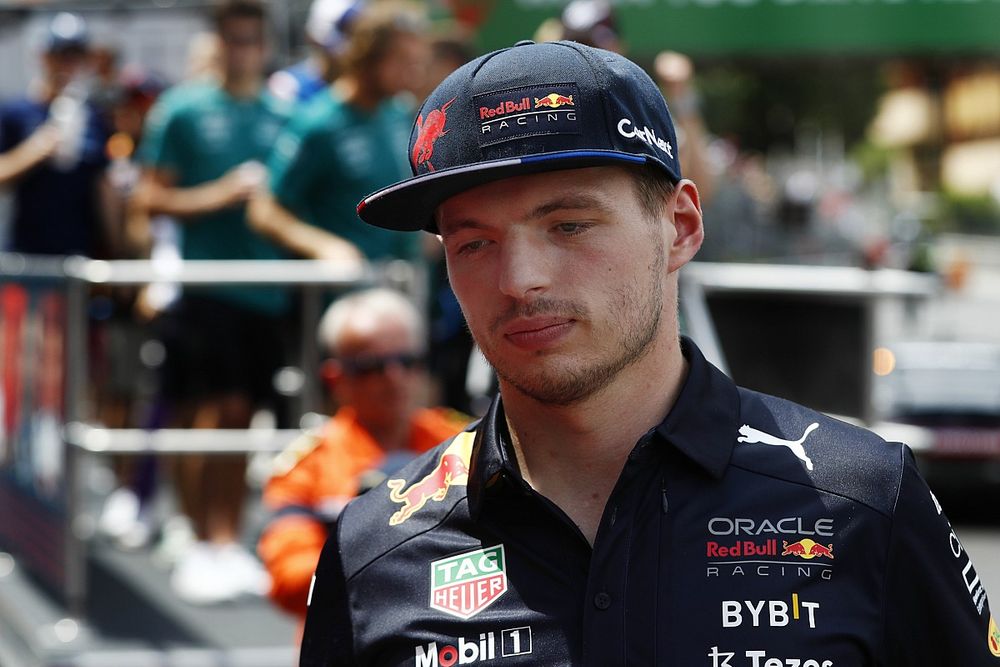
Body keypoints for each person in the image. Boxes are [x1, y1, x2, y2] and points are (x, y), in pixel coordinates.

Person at [300, 41, 999, 665]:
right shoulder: (375, 550)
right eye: (473, 242)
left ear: (681, 227)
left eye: (569, 225)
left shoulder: (864, 499)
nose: (519, 280)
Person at [135, 0, 291, 604]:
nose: (243, 50)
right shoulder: (183, 109)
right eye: (234, 39)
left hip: (268, 292)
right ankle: (198, 537)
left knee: (242, 417)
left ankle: (226, 539)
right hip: (205, 288)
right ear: (219, 43)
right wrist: (220, 195)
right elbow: (149, 198)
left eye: (252, 40)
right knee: (205, 415)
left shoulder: (283, 112)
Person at [257, 287, 468, 623]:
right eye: (372, 366)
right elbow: (288, 582)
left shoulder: (466, 443)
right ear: (335, 378)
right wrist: (376, 544)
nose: (395, 378)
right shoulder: (307, 465)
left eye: (407, 361)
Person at [247, 1, 429, 263]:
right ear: (369, 56)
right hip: (345, 284)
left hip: (397, 277)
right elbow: (264, 210)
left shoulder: (399, 115)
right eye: (402, 61)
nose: (413, 73)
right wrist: (324, 246)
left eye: (416, 62)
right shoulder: (320, 123)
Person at [0, 12, 111, 257]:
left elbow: (103, 187)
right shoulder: (16, 112)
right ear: (44, 56)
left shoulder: (95, 115)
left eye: (76, 56)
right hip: (27, 254)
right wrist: (36, 150)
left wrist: (117, 247)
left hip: (80, 252)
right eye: (62, 54)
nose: (68, 65)